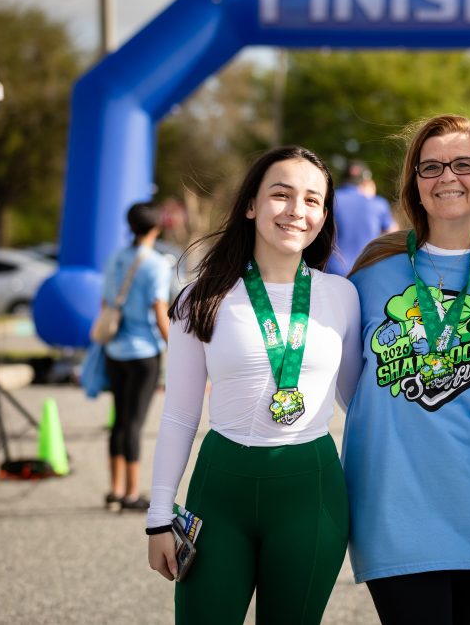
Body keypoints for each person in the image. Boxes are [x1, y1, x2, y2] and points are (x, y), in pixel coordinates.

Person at [145, 146, 362, 624]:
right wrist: (159, 515)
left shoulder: (342, 296)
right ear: (251, 205)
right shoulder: (200, 299)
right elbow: (180, 414)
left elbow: (359, 402)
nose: (295, 211)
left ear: (324, 215)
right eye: (280, 195)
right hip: (221, 488)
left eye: (311, 200)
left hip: (312, 490)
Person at [342, 114, 470, 625]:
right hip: (392, 502)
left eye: (463, 163)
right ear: (414, 185)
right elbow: (348, 386)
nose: (448, 176)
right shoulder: (371, 272)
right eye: (431, 167)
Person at [102, 201, 171, 512]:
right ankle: (132, 493)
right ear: (156, 228)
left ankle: (115, 489)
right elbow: (160, 313)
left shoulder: (116, 258)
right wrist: (180, 349)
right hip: (144, 353)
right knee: (134, 424)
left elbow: (106, 302)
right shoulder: (156, 264)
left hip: (114, 350)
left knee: (119, 420)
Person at [325, 160, 397, 276]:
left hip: (331, 273)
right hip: (366, 273)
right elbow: (394, 236)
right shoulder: (378, 204)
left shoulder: (329, 199)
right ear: (367, 182)